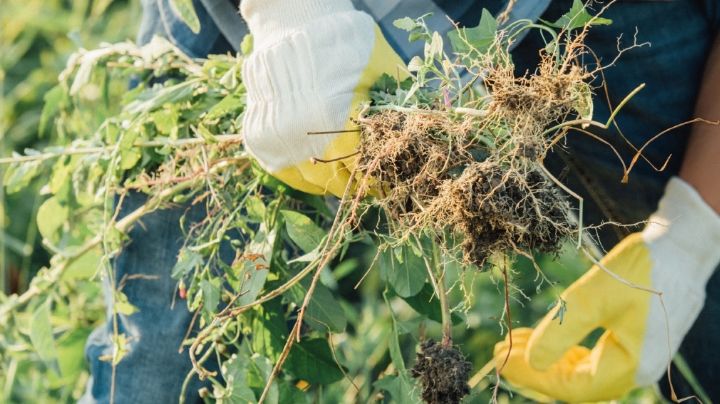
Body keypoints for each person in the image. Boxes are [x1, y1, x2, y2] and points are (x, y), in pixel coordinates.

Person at [82, 0, 720, 402]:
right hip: (233, 17)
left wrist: (691, 236)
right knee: (160, 350)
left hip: (593, 11)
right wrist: (291, 14)